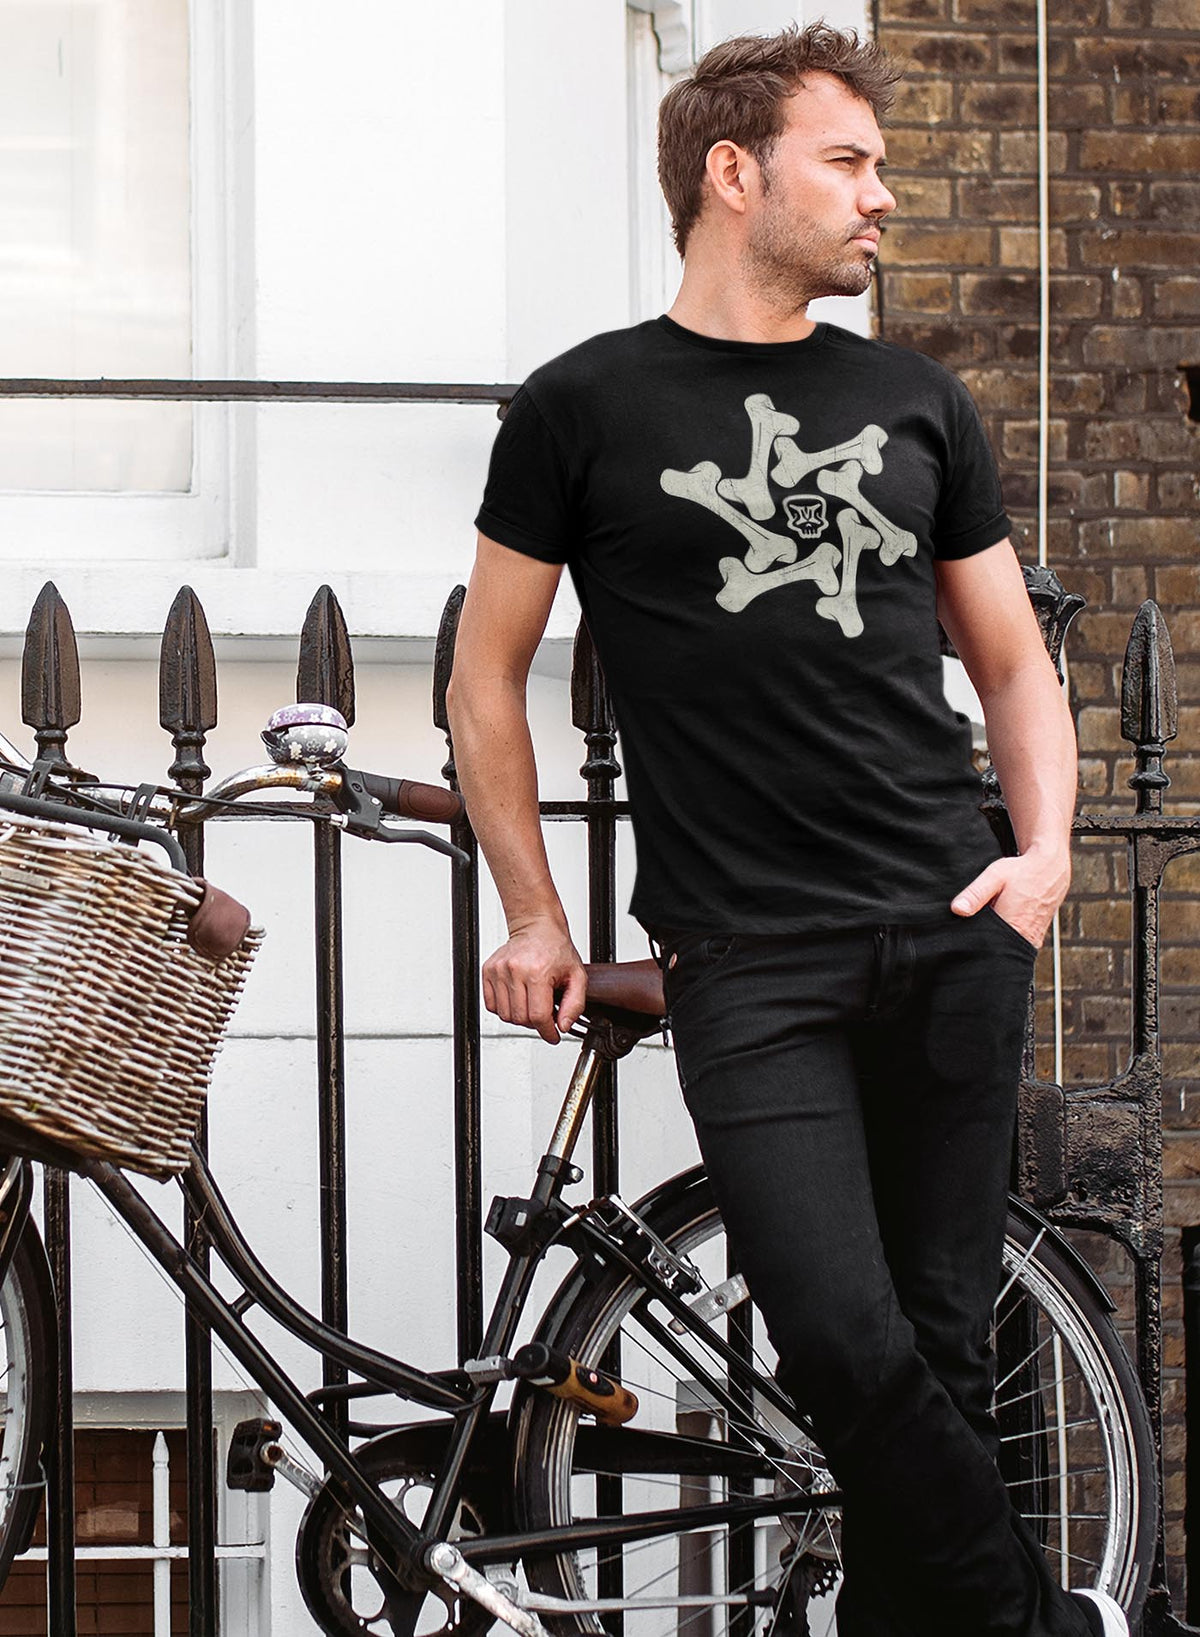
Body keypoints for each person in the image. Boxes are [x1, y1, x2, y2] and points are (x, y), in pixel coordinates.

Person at [446, 23, 1122, 1637]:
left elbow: (1012, 661)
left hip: (952, 924)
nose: (883, 198)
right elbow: (483, 686)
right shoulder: (580, 406)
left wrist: (1046, 856)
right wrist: (536, 913)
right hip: (750, 959)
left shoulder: (914, 401)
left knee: (946, 1352)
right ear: (734, 175)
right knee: (838, 1338)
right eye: (852, 163)